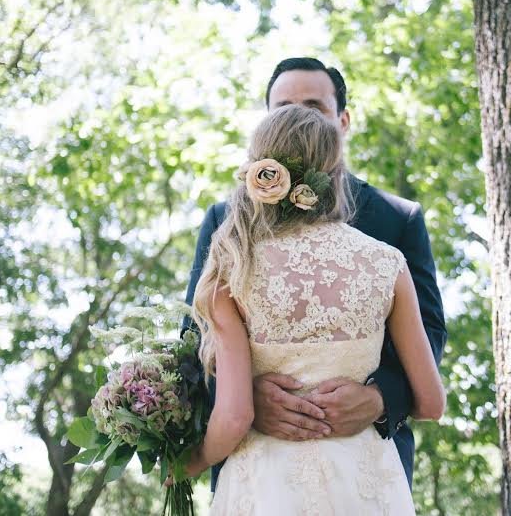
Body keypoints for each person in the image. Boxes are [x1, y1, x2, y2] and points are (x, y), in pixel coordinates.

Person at [183, 57, 448, 490]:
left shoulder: (396, 219)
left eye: (313, 106)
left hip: (366, 458)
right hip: (256, 457)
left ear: (342, 121)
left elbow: (431, 334)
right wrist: (247, 396)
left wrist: (380, 399)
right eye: (285, 106)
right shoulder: (226, 224)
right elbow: (193, 340)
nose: (299, 116)